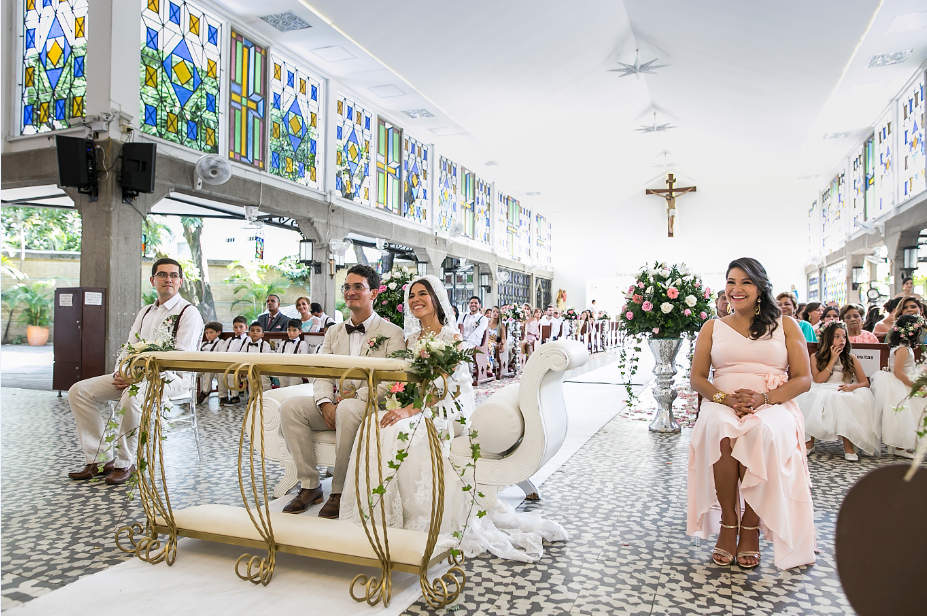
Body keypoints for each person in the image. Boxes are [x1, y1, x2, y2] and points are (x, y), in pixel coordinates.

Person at [340, 275, 569, 561]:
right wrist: (397, 402)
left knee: (404, 428)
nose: (416, 300)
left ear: (436, 299)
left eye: (422, 294)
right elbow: (401, 380)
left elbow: (450, 386)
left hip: (445, 408)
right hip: (412, 403)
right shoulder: (408, 340)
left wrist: (410, 410)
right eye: (411, 296)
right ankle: (378, 513)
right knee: (373, 423)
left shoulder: (452, 338)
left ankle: (422, 515)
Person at [688, 257, 814, 570]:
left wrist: (765, 398)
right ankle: (729, 523)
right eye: (731, 282)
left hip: (773, 401)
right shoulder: (712, 327)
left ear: (760, 288)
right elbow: (698, 378)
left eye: (745, 282)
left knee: (761, 432)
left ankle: (751, 526)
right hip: (723, 401)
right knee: (718, 428)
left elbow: (803, 378)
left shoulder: (786, 325)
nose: (737, 289)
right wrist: (725, 399)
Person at [279, 265, 405, 517]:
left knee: (347, 408)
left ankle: (339, 490)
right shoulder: (334, 331)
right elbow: (322, 371)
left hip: (369, 408)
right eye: (347, 287)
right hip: (337, 406)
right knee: (290, 407)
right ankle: (310, 485)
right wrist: (325, 403)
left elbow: (390, 382)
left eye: (358, 287)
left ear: (374, 294)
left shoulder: (393, 333)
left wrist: (353, 399)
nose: (351, 292)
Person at [67, 258, 204, 485]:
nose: (167, 279)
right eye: (162, 275)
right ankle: (100, 459)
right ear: (152, 280)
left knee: (130, 399)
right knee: (78, 391)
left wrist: (138, 377)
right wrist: (121, 372)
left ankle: (125, 462)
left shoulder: (188, 312)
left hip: (172, 379)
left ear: (180, 281)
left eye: (173, 275)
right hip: (134, 375)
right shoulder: (146, 312)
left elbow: (180, 357)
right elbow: (129, 347)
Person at [794, 321, 878, 460]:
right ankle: (809, 443)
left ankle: (849, 447)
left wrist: (852, 386)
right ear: (828, 338)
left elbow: (865, 382)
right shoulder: (815, 357)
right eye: (837, 336)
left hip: (843, 388)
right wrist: (832, 359)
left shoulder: (851, 358)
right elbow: (819, 379)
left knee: (847, 401)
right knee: (814, 398)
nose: (842, 340)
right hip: (822, 387)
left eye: (844, 337)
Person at [870, 314, 926, 459]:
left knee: (912, 415)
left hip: (905, 380)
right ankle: (900, 446)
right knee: (904, 415)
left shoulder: (905, 346)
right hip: (901, 383)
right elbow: (898, 371)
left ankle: (905, 445)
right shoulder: (902, 348)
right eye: (919, 329)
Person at [220, 316, 249, 405]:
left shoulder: (248, 340)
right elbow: (222, 352)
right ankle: (223, 396)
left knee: (231, 372)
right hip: (228, 363)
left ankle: (235, 396)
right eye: (235, 327)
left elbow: (246, 355)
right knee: (220, 372)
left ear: (246, 327)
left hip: (240, 364)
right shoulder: (229, 340)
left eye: (241, 327)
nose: (238, 329)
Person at [198, 321, 227, 404]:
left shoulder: (220, 343)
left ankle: (207, 392)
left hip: (214, 366)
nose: (208, 335)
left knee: (210, 370)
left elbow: (221, 355)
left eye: (211, 332)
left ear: (218, 333)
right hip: (201, 366)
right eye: (206, 333)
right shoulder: (203, 344)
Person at [277, 318, 309, 387]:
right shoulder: (283, 343)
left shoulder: (302, 344)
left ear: (300, 331)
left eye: (294, 330)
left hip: (295, 371)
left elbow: (303, 358)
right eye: (289, 330)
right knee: (283, 387)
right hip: (283, 370)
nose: (291, 333)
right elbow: (278, 356)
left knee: (294, 388)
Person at [242, 321, 273, 392]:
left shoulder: (265, 345)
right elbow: (242, 356)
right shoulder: (246, 345)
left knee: (265, 386)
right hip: (250, 369)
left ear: (262, 334)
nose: (255, 332)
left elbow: (264, 358)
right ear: (249, 333)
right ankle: (252, 400)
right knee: (251, 385)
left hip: (262, 370)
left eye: (258, 331)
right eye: (252, 330)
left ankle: (265, 400)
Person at [486, 306, 508, 375]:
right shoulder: (486, 322)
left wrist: (504, 345)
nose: (495, 313)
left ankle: (489, 367)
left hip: (494, 342)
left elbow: (503, 338)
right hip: (484, 341)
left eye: (497, 312)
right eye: (493, 311)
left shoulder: (501, 325)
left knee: (489, 345)